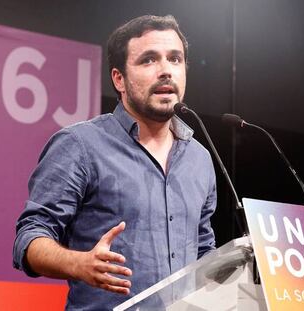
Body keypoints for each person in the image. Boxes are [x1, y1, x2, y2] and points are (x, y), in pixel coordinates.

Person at [13, 14, 217, 310]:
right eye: (149, 60)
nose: (165, 71)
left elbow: (203, 249)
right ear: (118, 79)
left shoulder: (200, 158)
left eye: (175, 59)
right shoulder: (80, 145)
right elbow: (29, 237)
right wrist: (78, 263)